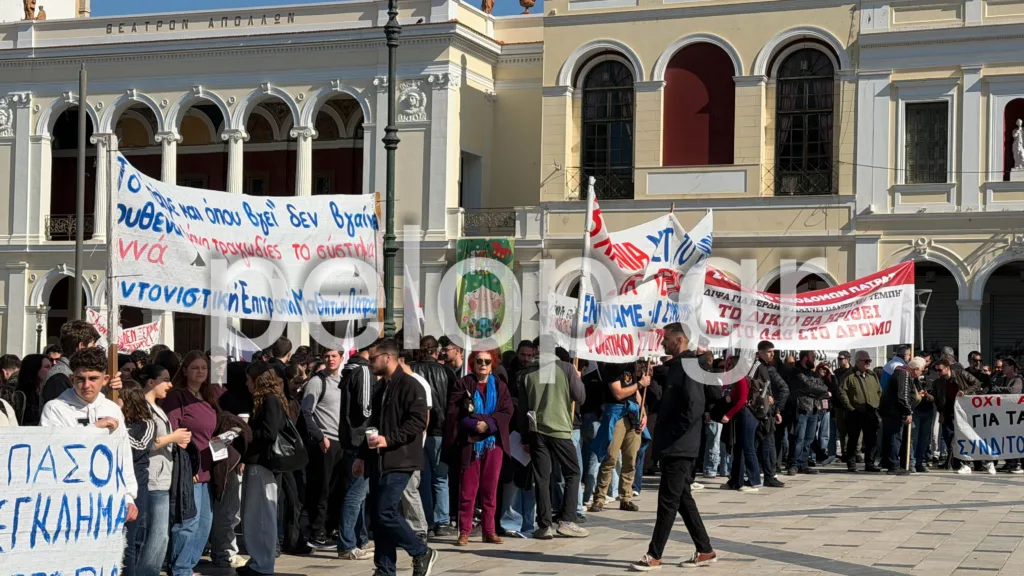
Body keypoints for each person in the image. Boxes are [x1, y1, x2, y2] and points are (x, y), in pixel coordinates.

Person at [631, 324, 716, 571]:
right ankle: (705, 550)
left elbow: (694, 406)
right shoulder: (678, 366)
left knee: (667, 501)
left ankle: (654, 555)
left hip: (680, 445)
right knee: (682, 499)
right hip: (677, 444)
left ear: (679, 340)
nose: (662, 343)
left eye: (666, 338)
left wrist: (675, 436)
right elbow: (667, 401)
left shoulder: (689, 366)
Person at [354, 339, 438, 576]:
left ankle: (421, 551)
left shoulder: (411, 385)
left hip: (401, 459)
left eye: (372, 359)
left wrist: (389, 439)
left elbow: (418, 422)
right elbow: (373, 425)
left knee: (385, 512)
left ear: (387, 357)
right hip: (379, 460)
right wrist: (362, 456)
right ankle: (384, 569)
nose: (369, 363)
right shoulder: (382, 387)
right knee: (379, 518)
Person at [39, 347, 139, 521]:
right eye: (80, 379)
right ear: (72, 379)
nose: (86, 385)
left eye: (93, 378)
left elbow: (123, 455)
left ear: (105, 379)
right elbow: (53, 452)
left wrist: (128, 496)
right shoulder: (55, 408)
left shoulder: (112, 409)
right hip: (66, 500)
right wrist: (93, 429)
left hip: (106, 497)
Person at [240, 363, 306, 576]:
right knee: (258, 514)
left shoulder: (270, 400)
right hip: (262, 464)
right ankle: (258, 560)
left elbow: (269, 433)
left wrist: (246, 433)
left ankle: (262, 564)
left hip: (263, 464)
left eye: (249, 379)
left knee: (260, 515)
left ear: (258, 380)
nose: (246, 384)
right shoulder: (271, 399)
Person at [445, 349, 514, 546]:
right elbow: (455, 413)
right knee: (468, 489)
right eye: (479, 361)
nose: (483, 364)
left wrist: (489, 424)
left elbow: (507, 411)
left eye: (487, 361)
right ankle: (465, 531)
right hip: (471, 443)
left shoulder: (500, 386)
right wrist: (475, 424)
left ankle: (489, 531)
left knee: (490, 489)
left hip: (493, 443)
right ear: (472, 364)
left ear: (492, 365)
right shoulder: (463, 384)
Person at [519, 348, 589, 538]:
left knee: (542, 478)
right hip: (560, 429)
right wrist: (578, 378)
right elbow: (581, 397)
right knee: (573, 472)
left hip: (536, 430)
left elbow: (523, 409)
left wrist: (525, 437)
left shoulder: (527, 373)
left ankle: (544, 525)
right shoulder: (566, 368)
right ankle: (567, 520)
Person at [162, 351, 219, 576]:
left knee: (205, 522)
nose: (200, 371)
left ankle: (188, 565)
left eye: (203, 367)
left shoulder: (208, 396)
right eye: (194, 367)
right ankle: (180, 569)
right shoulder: (177, 397)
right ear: (184, 370)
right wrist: (188, 465)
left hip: (207, 467)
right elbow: (172, 433)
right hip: (189, 469)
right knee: (188, 521)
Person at [138, 363, 191, 576]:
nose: (170, 384)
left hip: (162, 477)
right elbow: (144, 442)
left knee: (158, 534)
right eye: (165, 380)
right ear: (151, 382)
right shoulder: (143, 408)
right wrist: (173, 437)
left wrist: (176, 439)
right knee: (157, 535)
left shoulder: (157, 407)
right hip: (153, 479)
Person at [300, 347, 346, 548]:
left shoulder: (343, 381)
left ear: (341, 358)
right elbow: (306, 412)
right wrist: (320, 437)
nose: (330, 359)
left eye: (334, 356)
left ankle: (330, 528)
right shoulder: (317, 382)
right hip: (325, 442)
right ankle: (316, 531)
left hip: (341, 442)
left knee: (337, 489)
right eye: (327, 356)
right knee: (321, 489)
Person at [590, 361, 648, 513]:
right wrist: (640, 384)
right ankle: (599, 498)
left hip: (633, 415)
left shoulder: (631, 366)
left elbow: (636, 394)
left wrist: (643, 414)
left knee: (630, 459)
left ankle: (626, 498)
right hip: (617, 415)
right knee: (610, 458)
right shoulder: (612, 367)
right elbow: (618, 393)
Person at [414, 336, 457, 537]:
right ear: (436, 351)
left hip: (419, 431)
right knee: (441, 478)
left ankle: (427, 520)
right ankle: (442, 521)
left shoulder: (413, 371)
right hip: (441, 429)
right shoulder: (447, 372)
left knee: (423, 477)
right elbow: (454, 403)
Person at [338, 345, 377, 561]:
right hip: (360, 439)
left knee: (359, 494)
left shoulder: (351, 370)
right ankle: (347, 544)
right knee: (356, 494)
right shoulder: (363, 370)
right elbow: (365, 408)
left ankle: (359, 539)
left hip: (352, 438)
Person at [120, 380, 155, 576]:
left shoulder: (146, 423)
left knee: (128, 541)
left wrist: (119, 432)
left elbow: (140, 446)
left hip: (137, 486)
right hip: (113, 484)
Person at [933, 356, 984, 474]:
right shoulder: (938, 382)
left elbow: (977, 383)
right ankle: (957, 461)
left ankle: (977, 462)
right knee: (949, 437)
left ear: (947, 368)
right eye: (936, 370)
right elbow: (937, 399)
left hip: (964, 410)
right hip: (948, 411)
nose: (938, 373)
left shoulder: (960, 373)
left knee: (968, 435)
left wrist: (965, 392)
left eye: (940, 370)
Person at [749, 341, 789, 488]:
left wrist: (776, 408)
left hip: (767, 412)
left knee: (768, 445)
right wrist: (768, 401)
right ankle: (753, 476)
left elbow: (779, 389)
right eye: (769, 352)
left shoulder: (767, 368)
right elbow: (751, 387)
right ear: (760, 353)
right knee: (755, 446)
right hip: (758, 411)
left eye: (773, 351)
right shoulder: (756, 366)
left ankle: (768, 475)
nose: (772, 354)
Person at [720, 355, 760, 492]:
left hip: (745, 415)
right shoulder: (735, 379)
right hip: (740, 416)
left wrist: (728, 414)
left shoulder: (740, 378)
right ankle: (736, 481)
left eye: (730, 364)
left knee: (748, 449)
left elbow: (742, 400)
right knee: (738, 449)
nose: (728, 367)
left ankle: (755, 481)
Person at [786, 351, 830, 476]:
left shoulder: (813, 373)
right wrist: (814, 390)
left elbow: (823, 387)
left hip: (814, 408)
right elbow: (808, 386)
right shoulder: (796, 371)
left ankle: (803, 463)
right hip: (801, 407)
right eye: (813, 357)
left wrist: (813, 391)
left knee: (809, 438)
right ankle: (794, 464)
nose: (815, 359)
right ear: (805, 358)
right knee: (798, 437)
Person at [880, 357, 925, 475]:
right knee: (895, 438)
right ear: (916, 369)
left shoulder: (905, 374)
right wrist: (908, 412)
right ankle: (894, 465)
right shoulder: (903, 374)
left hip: (894, 411)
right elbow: (903, 396)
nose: (921, 373)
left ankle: (897, 464)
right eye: (921, 371)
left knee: (898, 438)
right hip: (894, 412)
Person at [838, 352, 882, 473]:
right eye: (865, 361)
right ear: (857, 362)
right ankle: (851, 464)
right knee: (853, 439)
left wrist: (877, 405)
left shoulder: (872, 375)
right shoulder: (849, 375)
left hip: (871, 411)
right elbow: (842, 392)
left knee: (871, 439)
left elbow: (879, 391)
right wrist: (850, 407)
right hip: (855, 411)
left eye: (869, 361)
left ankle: (870, 463)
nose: (868, 363)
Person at [41, 320, 101, 403]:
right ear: (82, 346)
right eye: (93, 345)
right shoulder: (59, 379)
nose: (95, 350)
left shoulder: (70, 373)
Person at [15, 353, 51, 425]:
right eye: (47, 367)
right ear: (35, 369)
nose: (51, 370)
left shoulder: (47, 390)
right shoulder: (21, 395)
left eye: (51, 366)